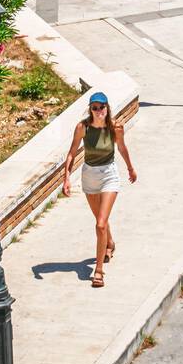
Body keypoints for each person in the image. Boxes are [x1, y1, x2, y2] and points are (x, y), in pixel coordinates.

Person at [62, 91, 137, 288]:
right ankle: (109, 243)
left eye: (101, 107)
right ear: (91, 109)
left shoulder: (115, 128)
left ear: (107, 108)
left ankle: (98, 271)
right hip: (89, 176)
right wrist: (66, 178)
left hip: (109, 175)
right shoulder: (83, 127)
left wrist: (130, 167)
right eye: (94, 108)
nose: (98, 111)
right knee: (100, 221)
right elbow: (71, 154)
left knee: (100, 224)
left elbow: (121, 148)